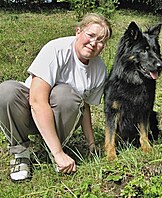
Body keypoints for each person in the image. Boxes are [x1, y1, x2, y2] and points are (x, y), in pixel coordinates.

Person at [0, 13, 112, 182]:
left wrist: (91, 145)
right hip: (27, 113)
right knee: (6, 91)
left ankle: (52, 147)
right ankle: (21, 152)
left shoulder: (99, 69)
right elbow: (37, 101)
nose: (94, 43)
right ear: (78, 31)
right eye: (90, 35)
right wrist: (59, 153)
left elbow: (85, 107)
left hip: (58, 121)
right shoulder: (56, 49)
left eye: (101, 41)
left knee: (66, 95)